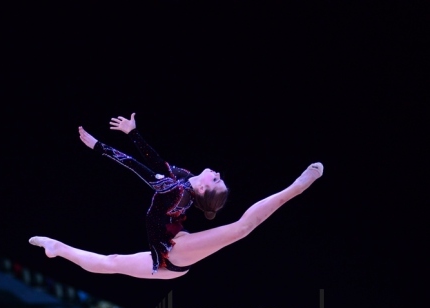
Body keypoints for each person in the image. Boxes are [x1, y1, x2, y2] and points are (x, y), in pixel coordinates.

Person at [29, 113, 323, 280]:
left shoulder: (175, 191)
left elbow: (135, 166)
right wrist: (133, 133)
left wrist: (99, 146)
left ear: (204, 189)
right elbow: (158, 163)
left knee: (241, 229)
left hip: (175, 252)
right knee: (111, 262)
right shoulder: (183, 177)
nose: (216, 172)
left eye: (216, 180)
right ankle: (57, 248)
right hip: (167, 257)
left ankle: (295, 187)